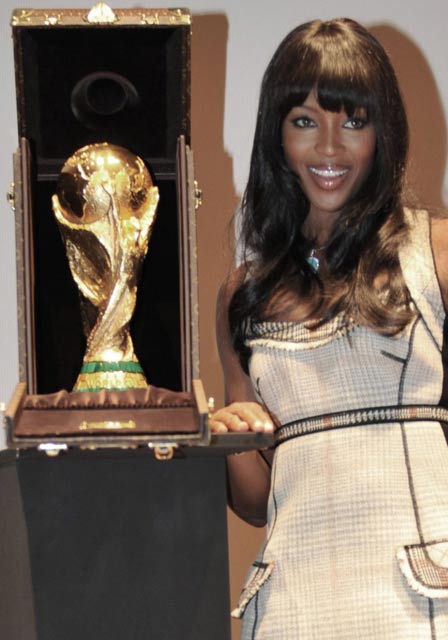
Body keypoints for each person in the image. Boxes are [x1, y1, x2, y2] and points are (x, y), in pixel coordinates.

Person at [210, 17, 448, 639]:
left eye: (354, 122)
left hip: (421, 603)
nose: (330, 149)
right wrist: (233, 437)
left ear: (383, 132)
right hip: (294, 603)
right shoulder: (242, 295)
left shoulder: (437, 254)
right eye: (305, 122)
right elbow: (255, 502)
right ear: (277, 135)